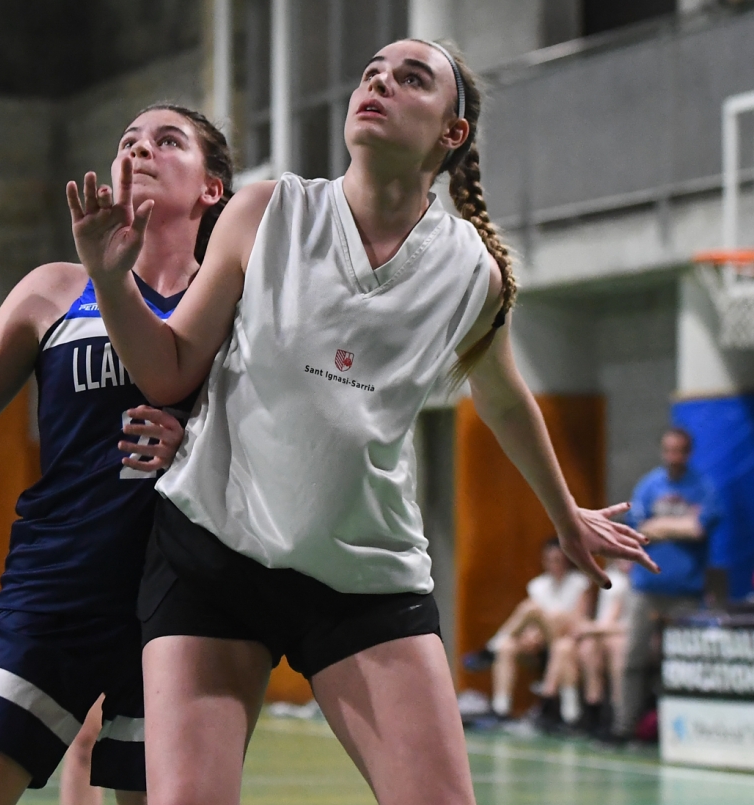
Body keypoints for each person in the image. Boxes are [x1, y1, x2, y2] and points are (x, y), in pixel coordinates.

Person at [69, 39, 658, 805]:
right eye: (372, 73)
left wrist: (564, 511)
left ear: (451, 132)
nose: (379, 82)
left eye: (411, 79)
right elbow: (170, 366)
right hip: (214, 550)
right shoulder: (266, 211)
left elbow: (504, 397)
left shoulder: (473, 273)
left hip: (363, 571)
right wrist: (110, 282)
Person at [0, 104, 231, 805]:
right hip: (52, 592)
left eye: (167, 141)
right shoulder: (53, 288)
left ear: (212, 187)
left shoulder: (235, 302)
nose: (140, 149)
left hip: (181, 607)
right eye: (128, 140)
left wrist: (196, 444)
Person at [614, 427, 720, 741]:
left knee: (685, 664)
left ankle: (685, 733)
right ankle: (624, 726)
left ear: (688, 453)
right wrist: (680, 525)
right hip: (647, 587)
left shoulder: (703, 486)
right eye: (669, 450)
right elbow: (639, 530)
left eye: (680, 451)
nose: (674, 457)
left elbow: (699, 530)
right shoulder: (649, 485)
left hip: (686, 590)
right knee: (633, 659)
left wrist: (660, 524)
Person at [481, 539, 591, 723]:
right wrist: (531, 635)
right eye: (550, 560)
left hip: (567, 638)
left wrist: (555, 621)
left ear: (567, 560)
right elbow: (533, 625)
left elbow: (578, 620)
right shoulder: (537, 585)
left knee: (556, 639)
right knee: (507, 647)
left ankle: (570, 716)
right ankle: (501, 708)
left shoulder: (579, 583)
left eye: (558, 559)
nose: (554, 564)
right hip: (540, 640)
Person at [574, 558, 631, 736]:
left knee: (616, 647)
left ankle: (617, 714)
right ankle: (593, 710)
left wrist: (592, 629)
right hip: (605, 632)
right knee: (588, 648)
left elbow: (620, 622)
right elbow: (606, 618)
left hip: (627, 634)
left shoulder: (640, 582)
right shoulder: (609, 578)